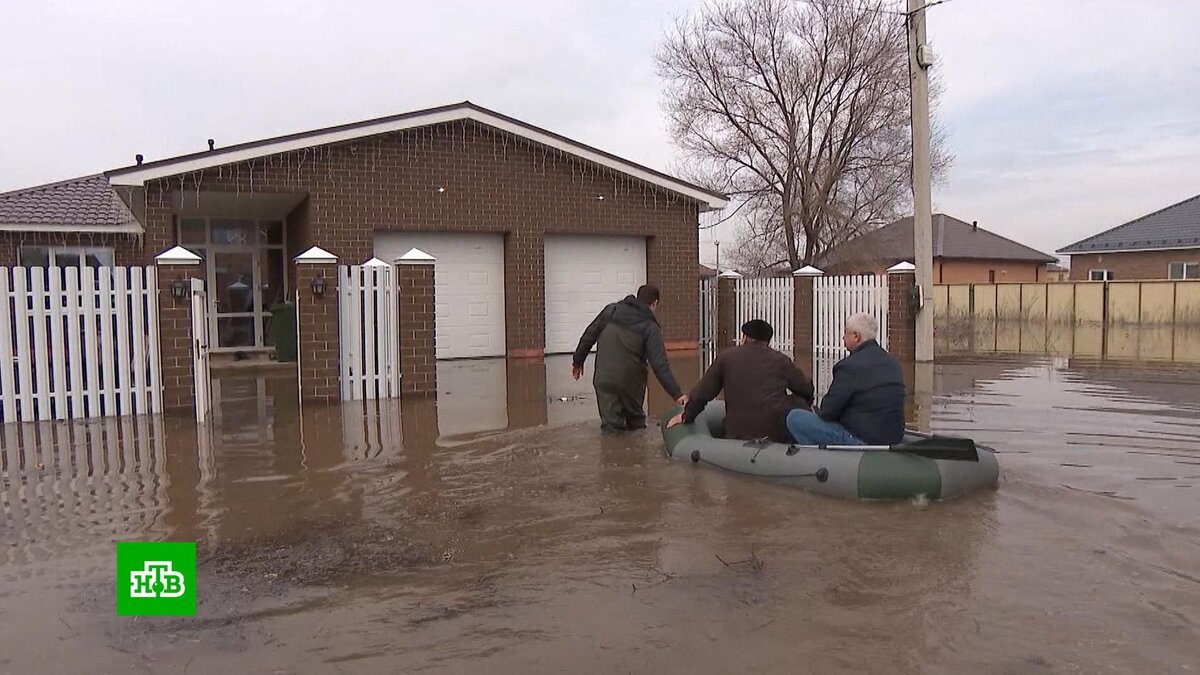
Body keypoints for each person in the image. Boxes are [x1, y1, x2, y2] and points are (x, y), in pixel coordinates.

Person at [666, 319, 814, 443]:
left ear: (744, 337)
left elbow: (702, 392)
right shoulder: (780, 360)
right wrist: (807, 404)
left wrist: (686, 416)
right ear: (767, 341)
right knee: (797, 401)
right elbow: (806, 387)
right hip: (774, 434)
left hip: (736, 433)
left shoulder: (726, 358)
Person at [572, 284, 687, 434]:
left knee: (611, 427)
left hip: (604, 380)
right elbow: (659, 365)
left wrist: (577, 361)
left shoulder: (611, 311)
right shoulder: (650, 327)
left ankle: (610, 454)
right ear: (655, 303)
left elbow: (589, 335)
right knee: (636, 426)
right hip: (630, 384)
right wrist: (677, 394)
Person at [785, 312, 906, 446]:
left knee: (795, 417)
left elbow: (828, 412)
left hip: (862, 439)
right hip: (893, 438)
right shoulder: (894, 363)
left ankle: (820, 460)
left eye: (845, 333)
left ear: (856, 336)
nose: (843, 337)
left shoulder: (848, 367)